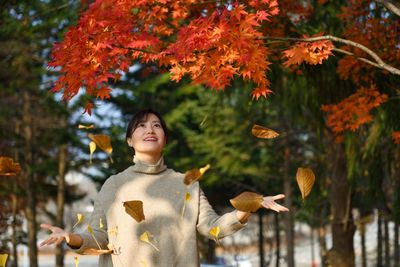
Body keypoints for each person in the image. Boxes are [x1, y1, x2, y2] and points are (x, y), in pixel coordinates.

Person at [40, 109, 288, 267]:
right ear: (129, 140)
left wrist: (249, 206)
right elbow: (98, 237)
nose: (150, 129)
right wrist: (70, 237)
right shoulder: (114, 184)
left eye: (156, 125)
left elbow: (213, 228)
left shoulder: (186, 183)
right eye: (141, 126)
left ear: (165, 140)